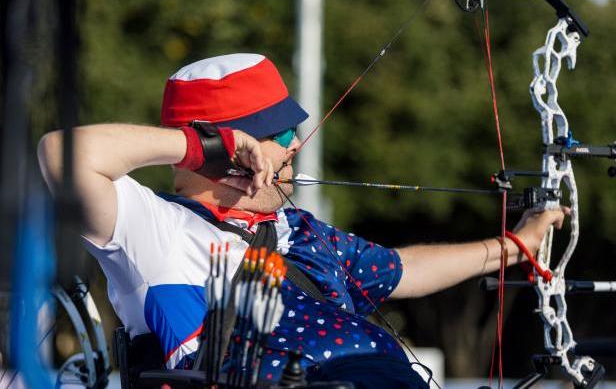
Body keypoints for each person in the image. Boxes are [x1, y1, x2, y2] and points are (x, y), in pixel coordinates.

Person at [38, 53, 566, 388]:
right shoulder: (151, 227)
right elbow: (60, 155)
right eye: (279, 136)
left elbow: (404, 268)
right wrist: (198, 148)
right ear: (229, 148)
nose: (294, 150)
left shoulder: (302, 230)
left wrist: (514, 246)